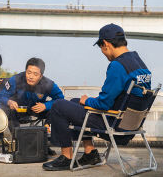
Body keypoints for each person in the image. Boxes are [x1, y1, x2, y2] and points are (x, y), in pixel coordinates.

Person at [42, 23, 152, 171]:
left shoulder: (117, 65)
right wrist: (83, 102)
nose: (103, 52)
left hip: (114, 124)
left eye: (101, 48)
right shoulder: (139, 63)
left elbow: (104, 104)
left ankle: (67, 158)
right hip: (131, 124)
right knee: (75, 102)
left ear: (105, 44)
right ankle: (90, 153)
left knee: (59, 105)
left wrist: (86, 100)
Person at [0, 57, 64, 155]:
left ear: (41, 76)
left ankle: (43, 144)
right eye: (28, 72)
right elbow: (1, 96)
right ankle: (18, 144)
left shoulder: (49, 84)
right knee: (8, 111)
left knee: (55, 110)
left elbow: (60, 99)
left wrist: (46, 105)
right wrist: (9, 102)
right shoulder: (15, 80)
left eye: (35, 74)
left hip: (37, 110)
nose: (31, 77)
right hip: (18, 110)